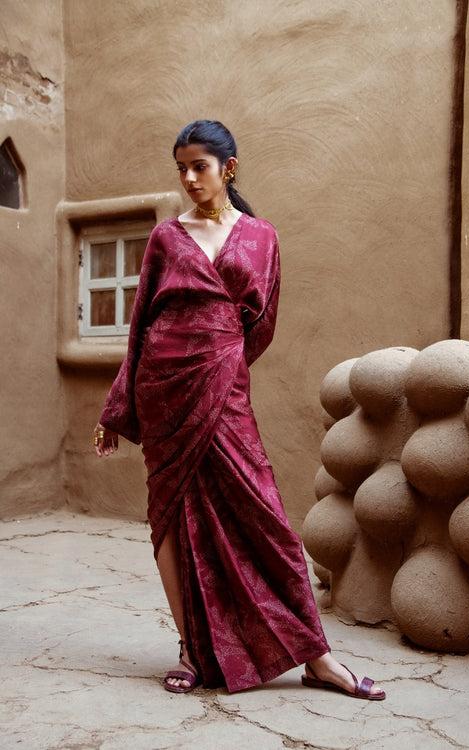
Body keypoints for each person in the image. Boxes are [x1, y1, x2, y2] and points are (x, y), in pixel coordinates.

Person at [93, 119, 386, 700]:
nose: (188, 178)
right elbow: (139, 326)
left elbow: (262, 323)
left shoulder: (261, 237)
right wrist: (117, 406)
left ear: (228, 166)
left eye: (199, 165)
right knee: (171, 515)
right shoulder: (164, 239)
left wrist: (221, 364)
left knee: (266, 516)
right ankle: (190, 648)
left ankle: (317, 656)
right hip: (162, 386)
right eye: (180, 167)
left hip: (223, 387)